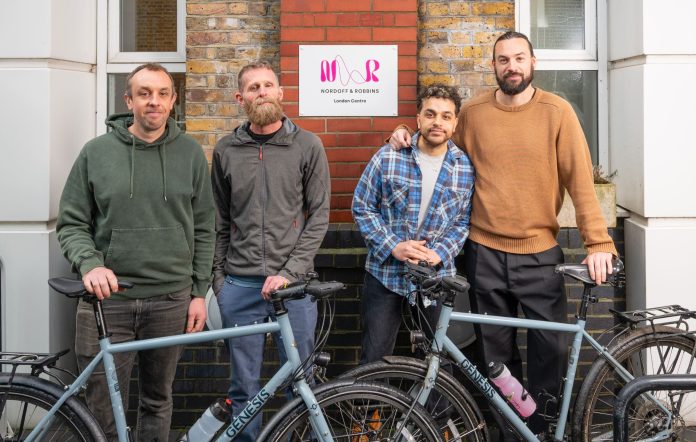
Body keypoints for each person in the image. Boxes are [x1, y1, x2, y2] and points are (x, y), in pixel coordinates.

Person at [389, 32, 618, 438]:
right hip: (484, 253)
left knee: (550, 351)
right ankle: (514, 433)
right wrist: (404, 132)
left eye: (519, 58)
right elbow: (437, 144)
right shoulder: (474, 114)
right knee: (495, 358)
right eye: (503, 60)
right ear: (493, 65)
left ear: (533, 62)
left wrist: (598, 242)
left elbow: (581, 182)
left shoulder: (558, 112)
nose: (511, 66)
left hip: (540, 254)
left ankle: (544, 430)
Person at [57, 63, 215, 441]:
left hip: (171, 298)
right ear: (128, 101)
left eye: (162, 93)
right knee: (101, 405)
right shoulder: (96, 153)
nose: (153, 101)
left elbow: (205, 227)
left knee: (158, 400)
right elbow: (71, 224)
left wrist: (199, 292)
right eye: (144, 93)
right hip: (107, 300)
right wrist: (90, 264)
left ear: (173, 101)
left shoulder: (190, 154)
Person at [211, 61, 330, 442]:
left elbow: (319, 217)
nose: (261, 91)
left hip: (293, 290)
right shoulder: (226, 150)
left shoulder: (307, 145)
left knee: (301, 383)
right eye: (253, 87)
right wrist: (220, 282)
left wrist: (290, 273)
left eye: (267, 85)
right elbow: (220, 220)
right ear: (240, 98)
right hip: (240, 287)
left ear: (280, 92)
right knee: (243, 389)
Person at [353, 84, 474, 365]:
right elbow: (362, 206)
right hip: (386, 275)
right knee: (374, 358)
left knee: (438, 360)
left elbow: (462, 222)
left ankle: (432, 398)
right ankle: (372, 397)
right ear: (418, 118)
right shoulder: (388, 156)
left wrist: (439, 254)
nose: (437, 122)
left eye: (446, 116)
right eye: (430, 114)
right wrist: (393, 246)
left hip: (436, 278)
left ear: (455, 123)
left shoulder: (465, 168)